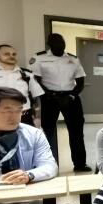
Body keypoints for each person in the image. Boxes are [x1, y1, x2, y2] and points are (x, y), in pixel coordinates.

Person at [0, 87, 57, 204]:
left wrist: (29, 175)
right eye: (7, 110)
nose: (14, 116)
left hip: (18, 199)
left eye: (19, 110)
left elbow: (50, 166)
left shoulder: (33, 134)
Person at [29, 33, 90, 171]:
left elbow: (80, 81)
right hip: (49, 98)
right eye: (56, 42)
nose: (60, 45)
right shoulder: (39, 58)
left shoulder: (73, 59)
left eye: (62, 42)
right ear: (49, 44)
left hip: (71, 97)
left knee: (77, 132)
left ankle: (80, 164)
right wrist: (50, 95)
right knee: (48, 132)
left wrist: (72, 95)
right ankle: (50, 164)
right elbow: (35, 81)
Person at [0, 44, 43, 125]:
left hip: (24, 118)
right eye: (7, 54)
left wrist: (37, 118)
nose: (11, 56)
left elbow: (36, 98)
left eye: (14, 54)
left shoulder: (27, 74)